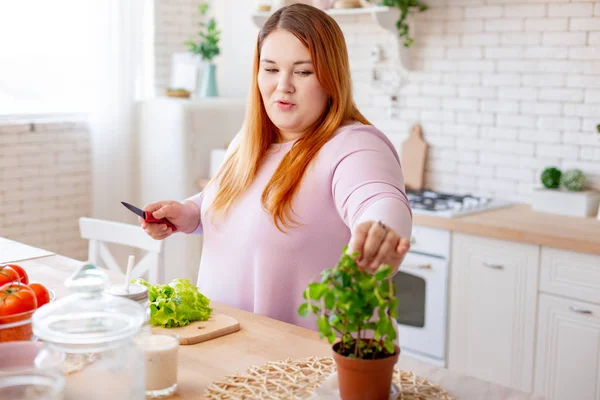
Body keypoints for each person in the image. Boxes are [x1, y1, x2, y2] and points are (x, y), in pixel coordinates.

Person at [139, 3, 413, 330]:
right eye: (270, 69)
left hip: (301, 368)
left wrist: (381, 231)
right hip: (226, 352)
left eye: (303, 71)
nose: (283, 85)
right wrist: (189, 212)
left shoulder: (355, 145)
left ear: (331, 78)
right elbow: (234, 198)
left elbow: (377, 200)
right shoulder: (249, 140)